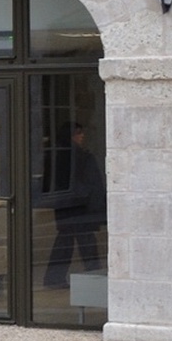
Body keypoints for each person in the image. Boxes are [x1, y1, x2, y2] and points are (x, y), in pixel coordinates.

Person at [38, 121, 107, 288]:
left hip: (67, 205)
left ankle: (55, 277)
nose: (82, 136)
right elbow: (89, 181)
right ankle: (94, 277)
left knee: (67, 241)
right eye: (78, 133)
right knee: (84, 242)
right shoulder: (79, 156)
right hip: (79, 205)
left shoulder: (58, 155)